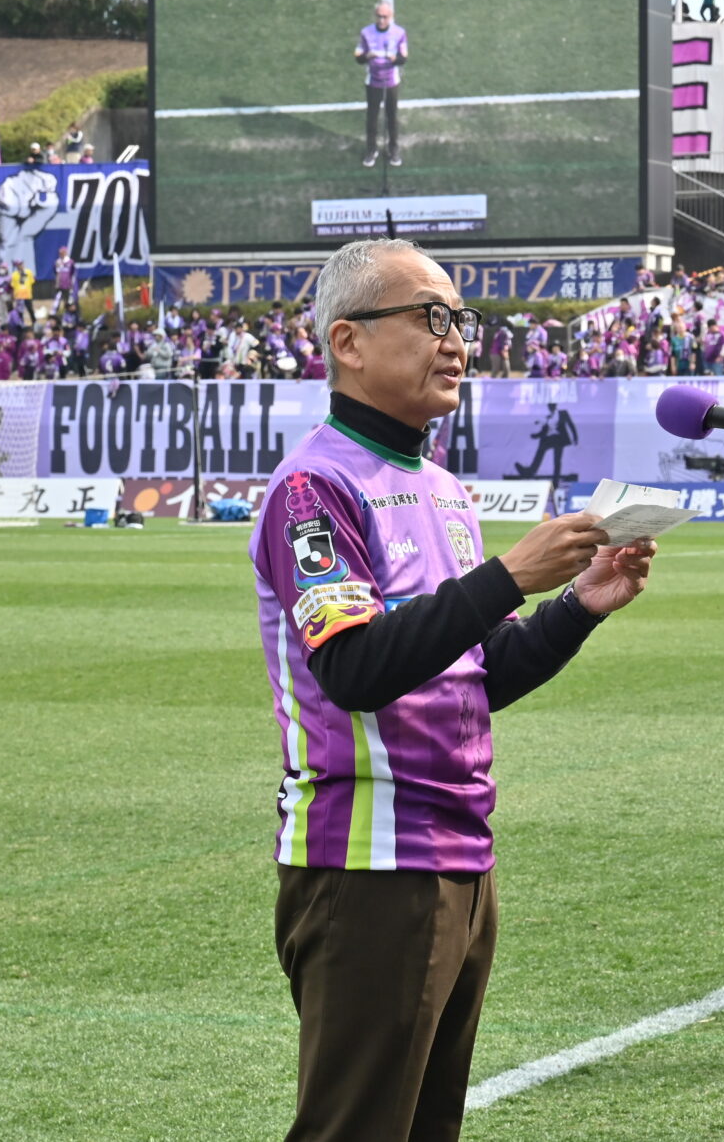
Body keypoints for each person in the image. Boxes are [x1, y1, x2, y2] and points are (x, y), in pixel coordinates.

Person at [251, 238, 654, 1140]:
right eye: (430, 316)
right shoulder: (314, 487)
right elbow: (356, 668)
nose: (457, 340)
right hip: (369, 863)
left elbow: (476, 674)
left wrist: (576, 607)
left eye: (461, 319)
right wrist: (510, 576)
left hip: (461, 857)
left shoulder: (440, 488)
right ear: (348, 341)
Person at [355, 1, 409, 168]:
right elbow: (358, 57)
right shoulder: (366, 32)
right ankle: (371, 150)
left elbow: (403, 58)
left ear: (391, 16)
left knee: (392, 117)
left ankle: (393, 149)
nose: (381, 20)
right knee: (372, 118)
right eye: (379, 16)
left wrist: (394, 59)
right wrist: (367, 56)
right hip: (373, 81)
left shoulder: (399, 33)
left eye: (385, 16)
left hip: (391, 81)